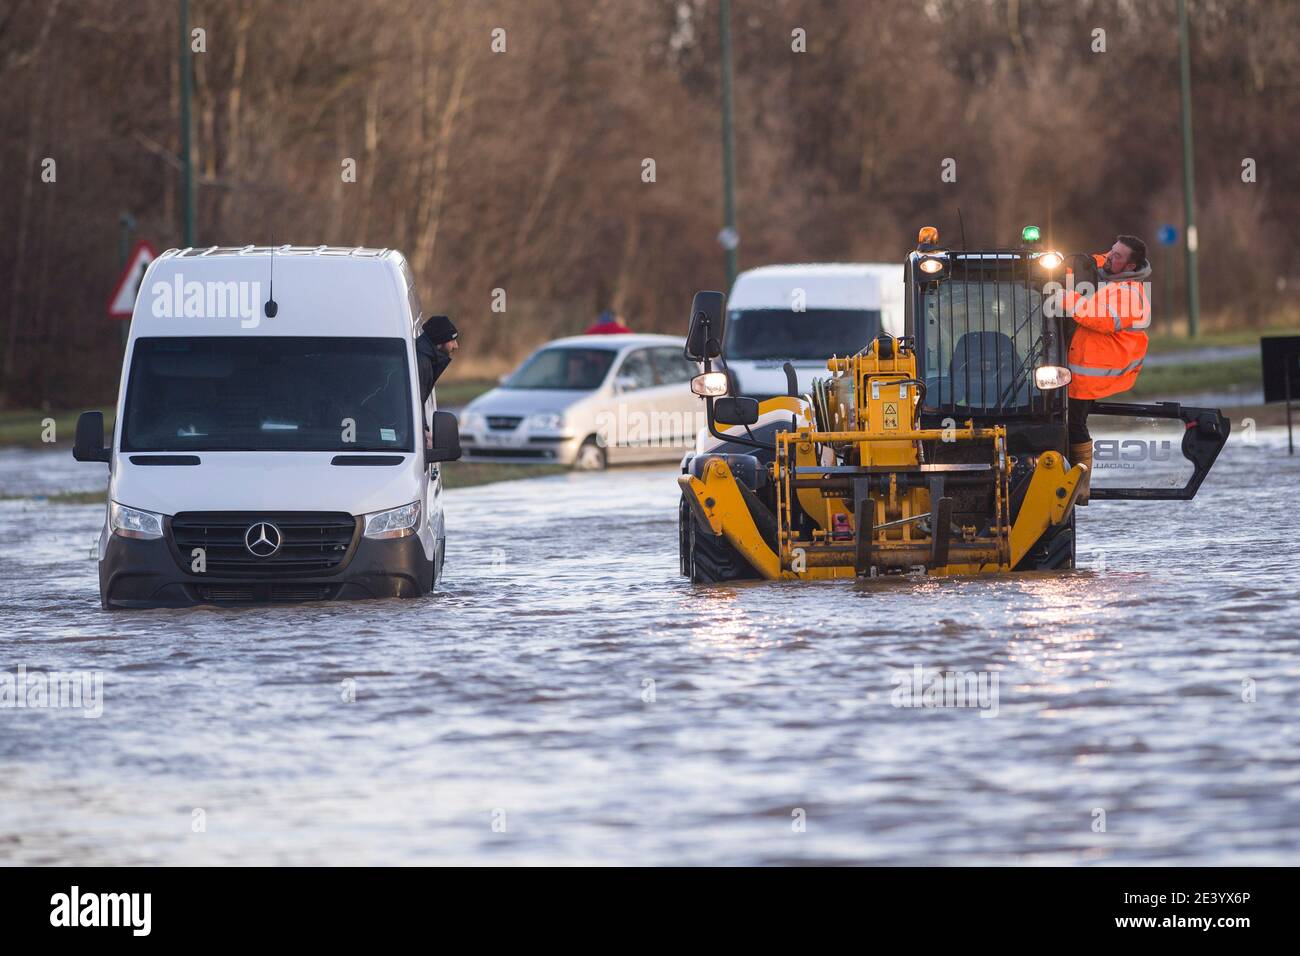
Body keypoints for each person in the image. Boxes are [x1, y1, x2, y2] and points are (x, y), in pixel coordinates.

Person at [1062, 235, 1151, 503]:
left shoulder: (1131, 294)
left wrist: (1063, 296)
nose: (1110, 257)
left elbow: (1097, 318)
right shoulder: (1116, 277)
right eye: (1111, 252)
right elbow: (1097, 262)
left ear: (1131, 266)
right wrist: (1069, 264)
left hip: (1092, 373)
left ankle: (1082, 486)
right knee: (1066, 422)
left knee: (1074, 424)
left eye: (1117, 256)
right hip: (1081, 369)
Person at [416, 314, 459, 404]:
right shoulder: (422, 364)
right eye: (452, 341)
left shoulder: (427, 359)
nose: (456, 346)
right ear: (439, 342)